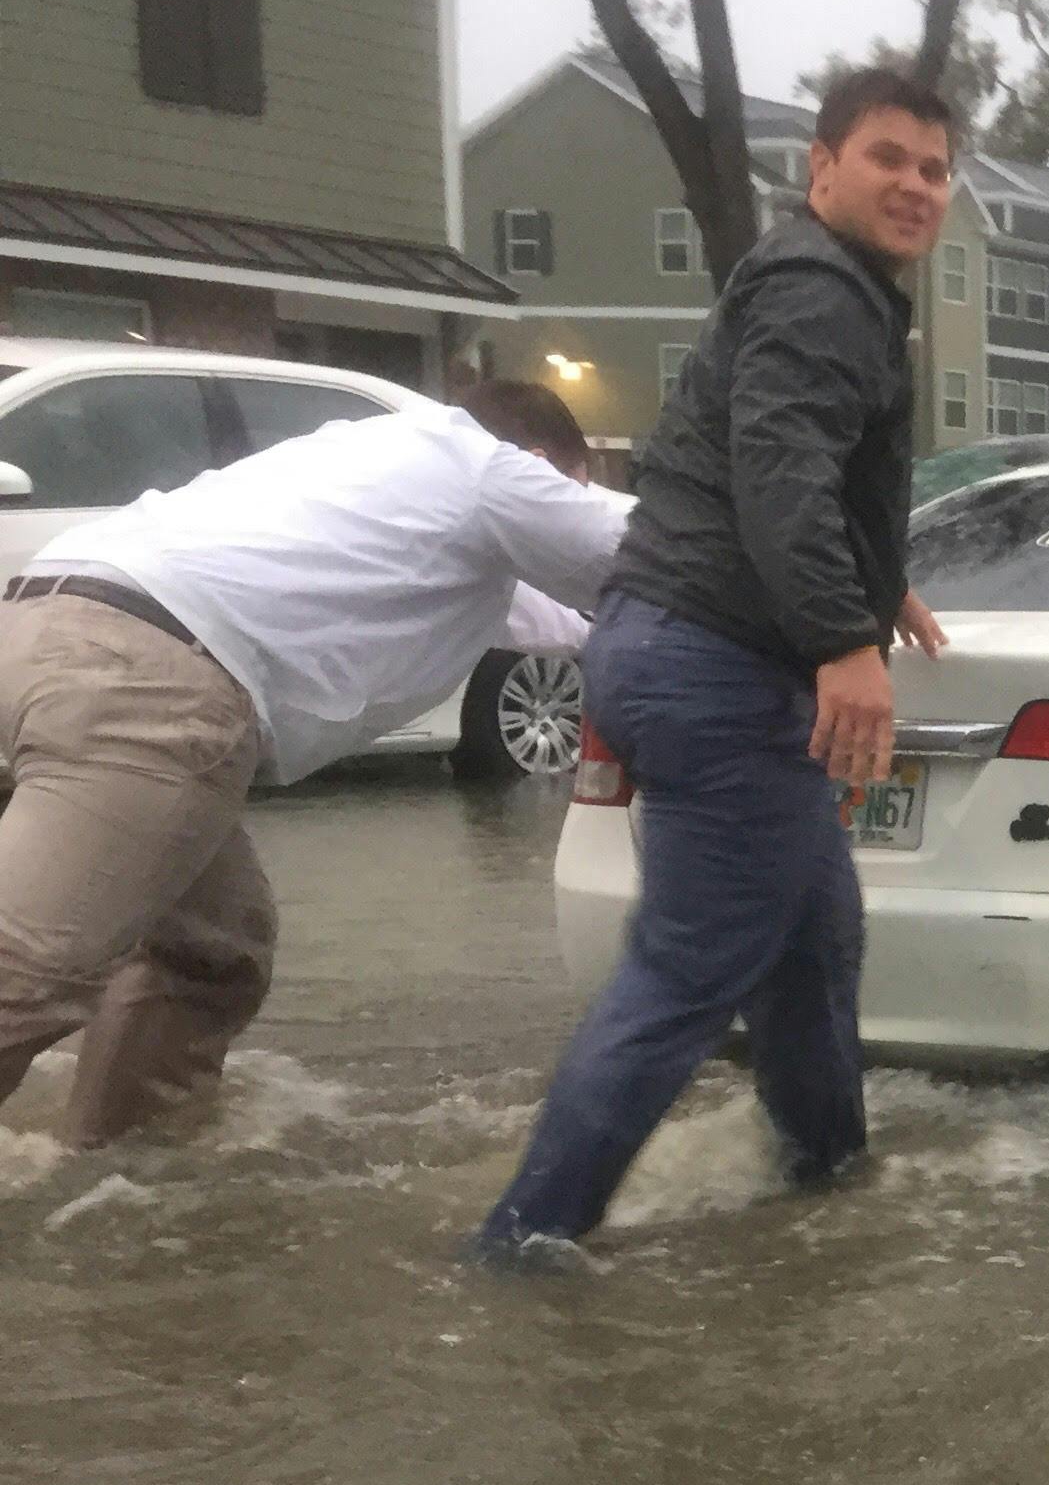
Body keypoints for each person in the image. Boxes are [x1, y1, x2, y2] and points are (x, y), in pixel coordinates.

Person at [474, 66, 955, 1261]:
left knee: (812, 942)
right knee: (685, 975)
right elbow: (779, 457)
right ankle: (523, 1246)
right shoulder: (822, 289)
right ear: (823, 168)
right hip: (717, 664)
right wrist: (845, 641)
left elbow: (761, 454)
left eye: (936, 170)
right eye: (887, 157)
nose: (915, 185)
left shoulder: (827, 290)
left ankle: (822, 1187)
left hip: (676, 643)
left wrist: (871, 577)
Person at [0, 379, 623, 1146]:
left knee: (215, 951)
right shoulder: (486, 469)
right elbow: (660, 557)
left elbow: (567, 618)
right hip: (152, 685)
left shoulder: (386, 465)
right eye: (569, 490)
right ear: (536, 465)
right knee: (28, 972)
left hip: (50, 629)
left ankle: (124, 1174)